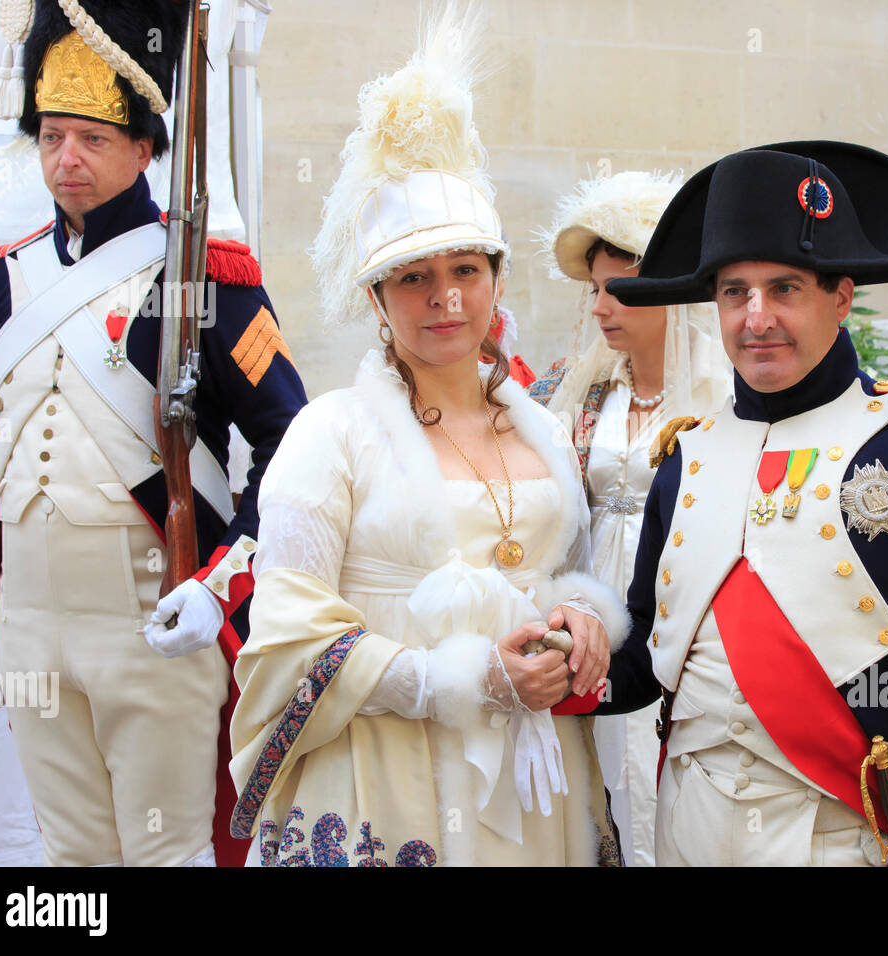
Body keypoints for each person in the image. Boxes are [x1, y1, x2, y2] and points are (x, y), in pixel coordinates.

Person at [227, 8, 628, 867]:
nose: (445, 299)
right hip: (388, 782)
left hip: (536, 787)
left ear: (494, 279)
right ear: (376, 299)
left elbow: (574, 572)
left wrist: (583, 619)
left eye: (465, 272)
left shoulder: (547, 428)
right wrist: (464, 679)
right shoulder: (328, 434)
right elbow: (287, 639)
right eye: (414, 278)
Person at [566, 140, 888, 866]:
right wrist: (566, 656)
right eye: (734, 292)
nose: (756, 317)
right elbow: (643, 661)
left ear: (841, 297)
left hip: (849, 831)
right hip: (685, 825)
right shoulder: (685, 459)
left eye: (784, 288)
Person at [0, 0, 306, 866]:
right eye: (50, 136)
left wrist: (223, 585)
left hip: (153, 617)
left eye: (91, 138)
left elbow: (290, 446)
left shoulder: (202, 276)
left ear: (145, 147)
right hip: (30, 626)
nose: (65, 159)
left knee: (166, 855)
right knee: (71, 859)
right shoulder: (4, 283)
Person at [528, 170, 732, 865]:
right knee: (602, 768)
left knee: (674, 769)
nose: (601, 309)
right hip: (593, 608)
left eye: (619, 289)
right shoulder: (577, 391)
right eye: (594, 291)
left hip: (683, 611)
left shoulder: (723, 390)